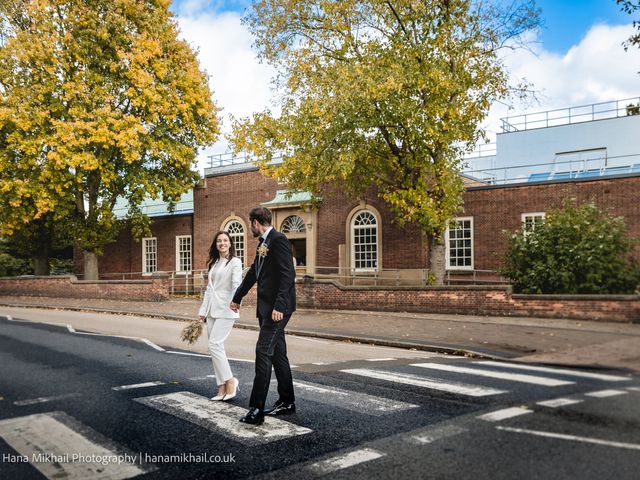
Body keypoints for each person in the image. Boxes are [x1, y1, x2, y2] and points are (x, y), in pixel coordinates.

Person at [230, 206, 296, 426]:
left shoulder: (279, 239)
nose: (251, 227)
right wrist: (237, 297)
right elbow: (253, 274)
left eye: (251, 224)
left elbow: (288, 275)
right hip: (267, 309)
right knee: (278, 354)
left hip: (277, 310)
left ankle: (256, 409)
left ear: (256, 223)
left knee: (262, 351)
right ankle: (287, 402)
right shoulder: (263, 244)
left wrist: (279, 306)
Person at [199, 231, 242, 401]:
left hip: (227, 309)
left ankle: (231, 380)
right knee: (215, 348)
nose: (222, 243)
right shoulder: (214, 263)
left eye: (225, 240)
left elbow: (237, 285)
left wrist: (236, 302)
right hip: (211, 310)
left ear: (230, 243)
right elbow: (210, 289)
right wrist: (202, 311)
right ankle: (221, 386)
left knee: (215, 344)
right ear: (216, 244)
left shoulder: (235, 262)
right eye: (219, 241)